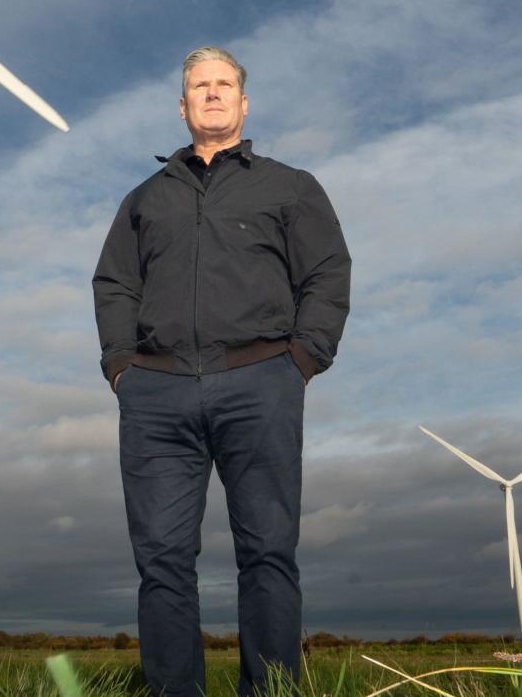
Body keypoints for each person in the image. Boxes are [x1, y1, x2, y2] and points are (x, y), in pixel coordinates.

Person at [92, 46, 351, 697]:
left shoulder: (290, 186)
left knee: (267, 552)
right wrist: (123, 368)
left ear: (243, 102)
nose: (211, 94)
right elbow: (114, 283)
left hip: (261, 382)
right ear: (182, 106)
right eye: (198, 86)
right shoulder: (144, 199)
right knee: (162, 562)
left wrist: (301, 359)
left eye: (223, 84)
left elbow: (326, 273)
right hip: (156, 393)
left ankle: (270, 692)